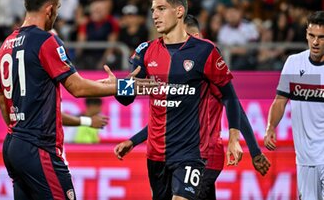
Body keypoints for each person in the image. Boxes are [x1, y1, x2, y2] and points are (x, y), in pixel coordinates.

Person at [0, 0, 148, 200]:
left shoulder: (6, 45)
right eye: (56, 10)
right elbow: (77, 88)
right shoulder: (45, 40)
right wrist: (125, 86)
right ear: (50, 9)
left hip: (12, 146)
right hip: (38, 147)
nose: (55, 16)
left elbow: (2, 101)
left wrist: (18, 131)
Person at [115, 14, 271, 200]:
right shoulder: (175, 74)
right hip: (176, 153)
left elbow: (234, 104)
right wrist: (133, 139)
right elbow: (170, 119)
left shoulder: (206, 62)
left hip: (205, 153)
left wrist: (253, 150)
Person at [264, 11, 324, 200]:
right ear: (306, 34)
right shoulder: (293, 62)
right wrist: (271, 126)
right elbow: (280, 101)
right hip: (305, 157)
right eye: (312, 36)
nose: (315, 42)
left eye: (321, 38)